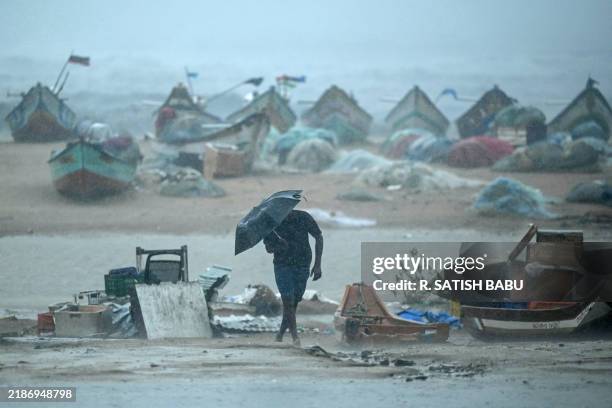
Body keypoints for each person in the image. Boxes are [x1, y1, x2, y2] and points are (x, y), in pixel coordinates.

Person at [263, 209, 323, 345]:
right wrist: (279, 246)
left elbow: (318, 236)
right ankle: (295, 336)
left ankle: (280, 333)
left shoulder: (303, 217)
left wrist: (318, 264)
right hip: (282, 265)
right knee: (288, 300)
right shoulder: (270, 225)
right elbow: (269, 248)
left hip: (302, 264)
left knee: (294, 302)